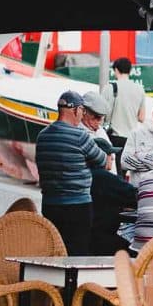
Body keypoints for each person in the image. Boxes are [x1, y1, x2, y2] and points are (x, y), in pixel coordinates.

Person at [35, 91, 108, 255]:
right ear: (76, 110)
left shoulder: (42, 136)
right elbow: (104, 162)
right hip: (78, 206)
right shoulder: (80, 136)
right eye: (82, 111)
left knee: (54, 252)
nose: (82, 115)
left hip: (50, 205)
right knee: (77, 254)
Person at [89, 138, 138, 255]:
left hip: (87, 236)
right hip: (102, 239)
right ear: (100, 156)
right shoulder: (106, 178)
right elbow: (134, 197)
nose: (112, 158)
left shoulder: (85, 174)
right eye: (109, 154)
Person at [100, 57, 145, 150]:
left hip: (114, 137)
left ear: (116, 70)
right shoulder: (140, 89)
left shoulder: (109, 88)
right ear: (130, 71)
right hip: (132, 139)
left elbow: (101, 115)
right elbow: (141, 118)